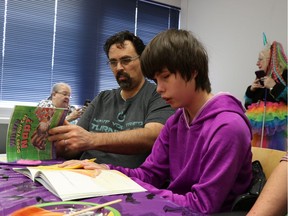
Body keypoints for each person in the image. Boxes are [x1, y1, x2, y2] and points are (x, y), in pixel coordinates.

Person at [58, 29, 253, 214]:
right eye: (156, 80)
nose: (159, 88)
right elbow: (149, 174)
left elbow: (202, 206)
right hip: (174, 205)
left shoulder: (228, 127)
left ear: (193, 71)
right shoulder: (177, 121)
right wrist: (109, 171)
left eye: (165, 77)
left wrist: (132, 187)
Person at [48, 31, 174, 168]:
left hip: (125, 180)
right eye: (113, 62)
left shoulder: (159, 95)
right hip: (84, 172)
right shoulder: (102, 98)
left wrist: (92, 140)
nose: (119, 67)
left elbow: (152, 137)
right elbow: (77, 143)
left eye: (126, 60)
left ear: (142, 60)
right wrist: (60, 145)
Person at [244, 41, 287, 151]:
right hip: (258, 135)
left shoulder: (285, 75)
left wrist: (273, 86)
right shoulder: (262, 78)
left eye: (260, 59)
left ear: (270, 59)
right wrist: (251, 90)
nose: (257, 63)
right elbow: (247, 105)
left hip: (278, 134)